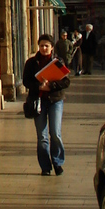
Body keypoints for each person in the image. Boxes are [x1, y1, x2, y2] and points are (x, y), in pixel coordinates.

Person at [22, 34, 70, 176]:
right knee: (42, 136)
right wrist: (39, 87)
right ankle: (45, 167)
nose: (44, 48)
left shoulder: (58, 61)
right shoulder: (31, 63)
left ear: (51, 47)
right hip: (38, 101)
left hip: (55, 100)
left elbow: (66, 81)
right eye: (41, 45)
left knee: (55, 133)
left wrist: (51, 86)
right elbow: (26, 81)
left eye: (46, 46)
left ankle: (58, 162)